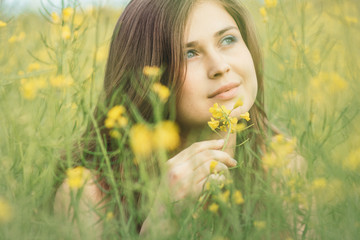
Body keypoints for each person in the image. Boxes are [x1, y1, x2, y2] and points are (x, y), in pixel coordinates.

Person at [54, 0, 269, 238]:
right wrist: (161, 221)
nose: (220, 66)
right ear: (146, 77)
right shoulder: (88, 195)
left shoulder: (282, 173)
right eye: (189, 53)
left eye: (228, 40)